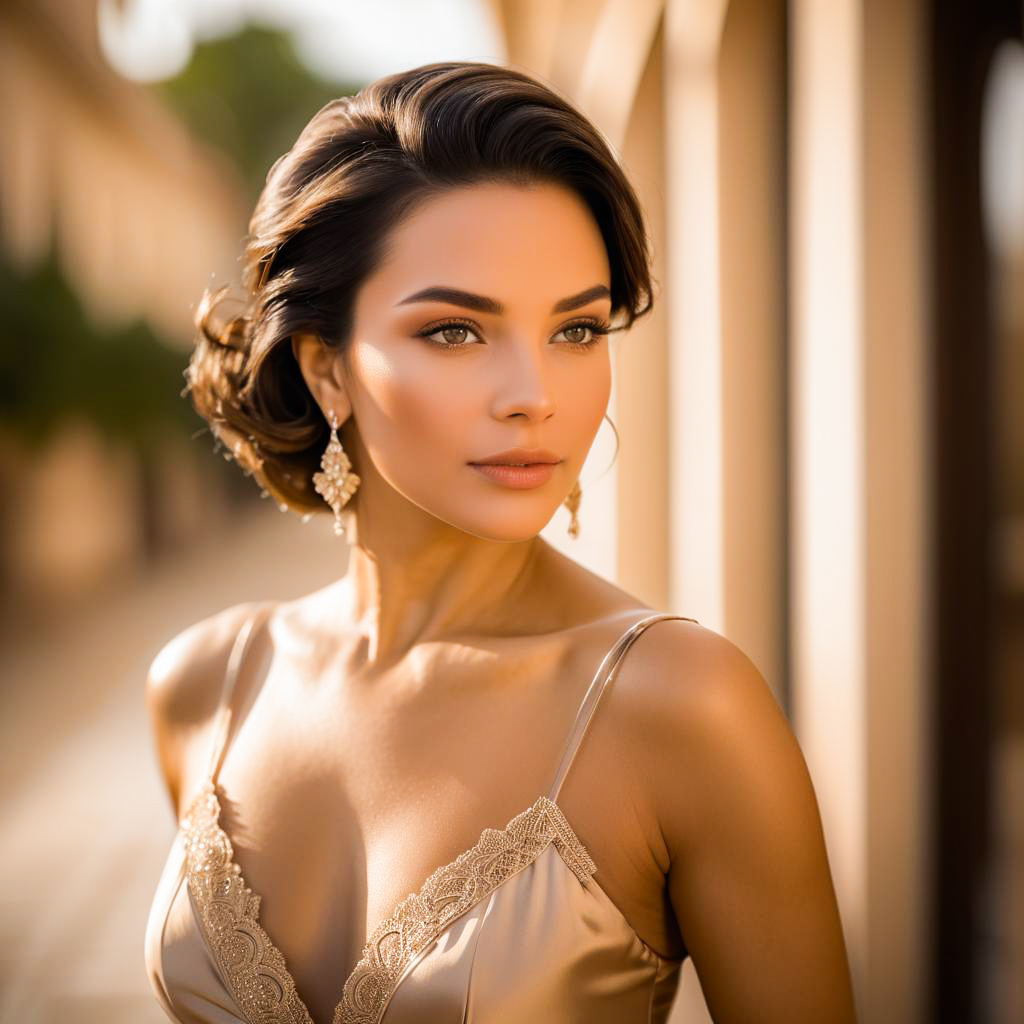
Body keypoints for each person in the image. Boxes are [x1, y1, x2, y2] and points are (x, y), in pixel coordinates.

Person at [143, 60, 856, 1024]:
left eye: (576, 329)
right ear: (327, 370)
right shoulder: (205, 688)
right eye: (454, 332)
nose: (536, 395)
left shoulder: (683, 709)